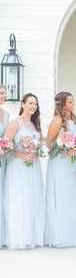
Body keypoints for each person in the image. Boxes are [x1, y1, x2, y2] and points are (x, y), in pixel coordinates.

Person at [4, 93, 45, 249]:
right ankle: (19, 237)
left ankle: (31, 236)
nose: (33, 106)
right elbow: (6, 145)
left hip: (33, 166)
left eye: (35, 104)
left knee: (32, 197)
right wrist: (22, 154)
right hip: (18, 166)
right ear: (22, 104)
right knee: (19, 198)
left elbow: (40, 143)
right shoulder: (15, 123)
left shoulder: (36, 124)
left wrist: (37, 152)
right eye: (30, 103)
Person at [45, 92, 76, 247]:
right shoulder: (57, 120)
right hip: (60, 163)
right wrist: (65, 151)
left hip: (71, 163)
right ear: (63, 104)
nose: (74, 104)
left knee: (69, 196)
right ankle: (59, 235)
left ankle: (69, 234)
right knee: (61, 196)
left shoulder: (73, 119)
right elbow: (48, 144)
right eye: (71, 101)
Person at [0, 84, 9, 248]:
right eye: (1, 93)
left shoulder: (7, 114)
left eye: (4, 94)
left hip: (4, 158)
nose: (3, 96)